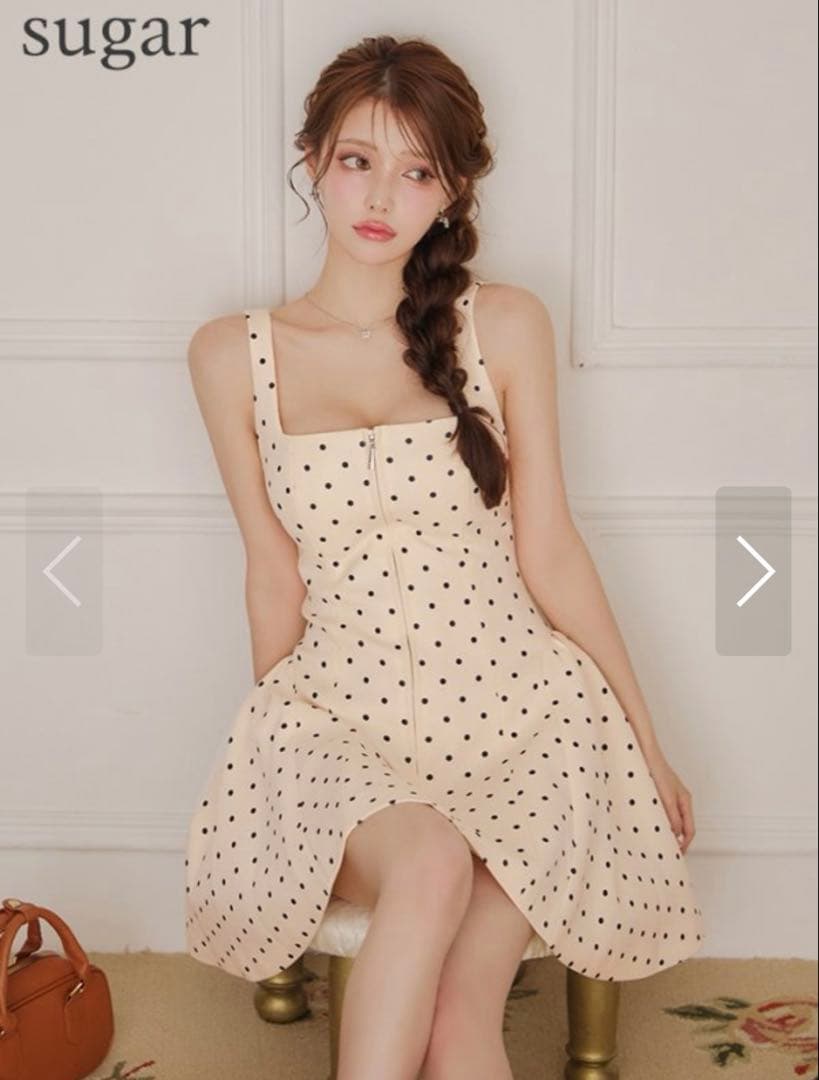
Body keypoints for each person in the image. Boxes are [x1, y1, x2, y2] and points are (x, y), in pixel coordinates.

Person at [184, 33, 704, 1080]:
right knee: (423, 865)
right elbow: (271, 570)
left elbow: (550, 548)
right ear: (312, 158)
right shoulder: (232, 354)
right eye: (357, 159)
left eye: (418, 171)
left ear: (454, 190)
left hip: (528, 723)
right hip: (343, 716)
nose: (382, 196)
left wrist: (642, 742)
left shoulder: (504, 325)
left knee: (464, 1012)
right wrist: (279, 756)